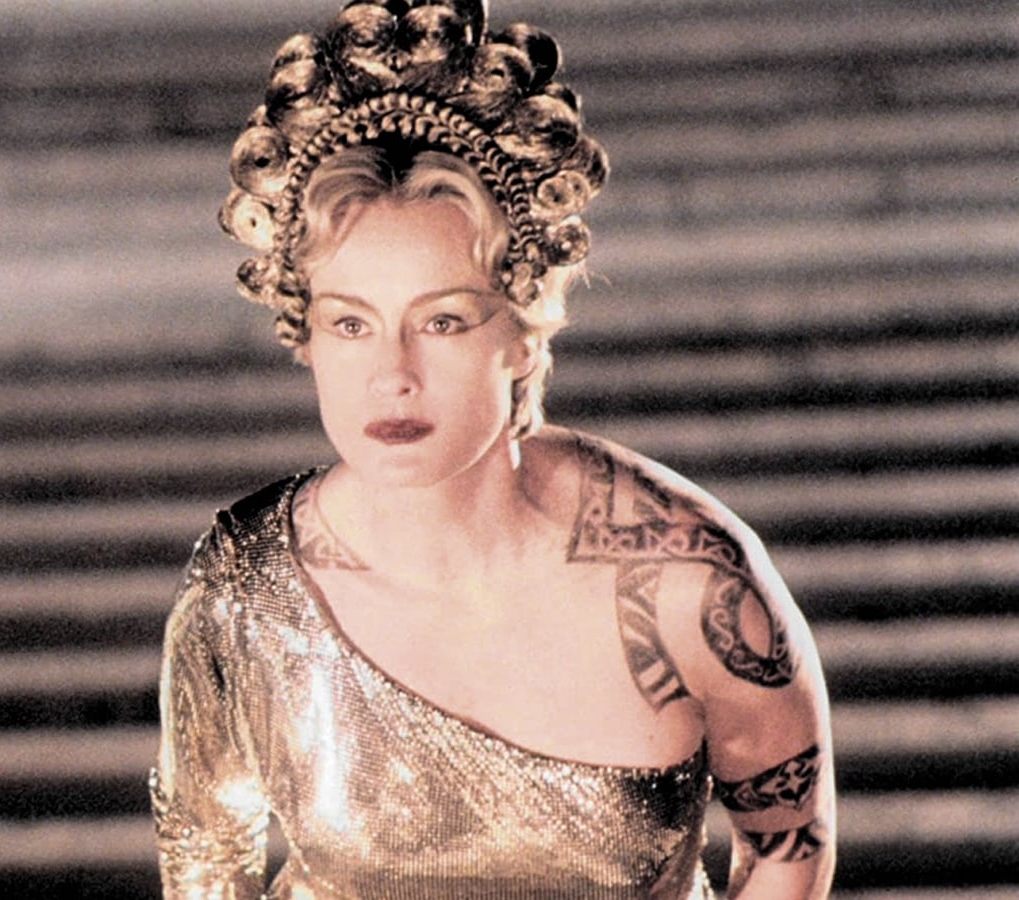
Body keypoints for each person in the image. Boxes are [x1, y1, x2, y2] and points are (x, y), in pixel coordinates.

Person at [149, 1, 835, 897]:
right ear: (305, 333)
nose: (392, 375)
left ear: (521, 330)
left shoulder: (690, 581)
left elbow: (786, 846)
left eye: (442, 320)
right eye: (351, 324)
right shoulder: (246, 588)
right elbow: (205, 855)